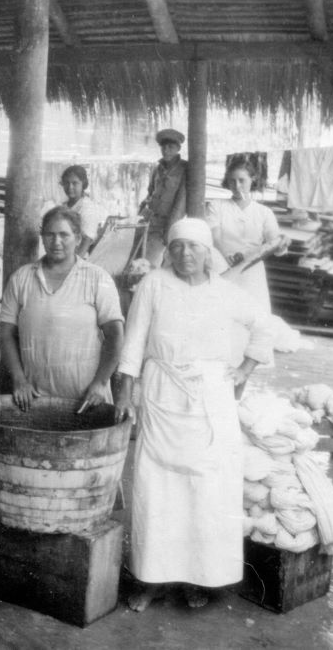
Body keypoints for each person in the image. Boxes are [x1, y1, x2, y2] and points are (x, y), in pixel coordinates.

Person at [114, 218, 273, 612]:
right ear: (168, 250)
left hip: (210, 402)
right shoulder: (153, 284)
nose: (186, 254)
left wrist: (243, 370)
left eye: (195, 247)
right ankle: (150, 580)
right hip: (161, 394)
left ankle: (195, 579)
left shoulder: (224, 292)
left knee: (204, 493)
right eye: (178, 246)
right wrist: (125, 391)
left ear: (208, 253)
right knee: (157, 491)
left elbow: (264, 327)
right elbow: (133, 341)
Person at [0, 206, 124, 412]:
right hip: (35, 400)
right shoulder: (22, 278)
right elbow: (6, 334)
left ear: (77, 237)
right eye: (50, 234)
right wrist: (19, 380)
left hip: (86, 400)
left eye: (64, 235)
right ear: (42, 237)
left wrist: (101, 382)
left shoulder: (97, 278)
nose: (56, 242)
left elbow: (115, 334)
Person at [206, 155, 288, 313]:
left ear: (253, 179)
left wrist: (281, 243)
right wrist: (226, 256)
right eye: (232, 181)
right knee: (222, 313)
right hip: (222, 266)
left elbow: (274, 240)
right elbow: (214, 237)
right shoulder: (217, 206)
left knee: (253, 315)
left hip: (252, 270)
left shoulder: (264, 212)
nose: (237, 186)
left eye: (241, 180)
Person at [139, 128, 188, 267]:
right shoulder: (157, 169)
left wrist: (170, 228)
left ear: (178, 148)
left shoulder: (185, 169)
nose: (166, 150)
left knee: (151, 262)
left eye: (170, 147)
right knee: (139, 257)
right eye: (163, 147)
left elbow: (180, 203)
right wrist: (141, 212)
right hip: (149, 221)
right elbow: (150, 193)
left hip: (167, 224)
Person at [60, 165, 106, 258]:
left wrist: (69, 266)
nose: (70, 187)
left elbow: (85, 243)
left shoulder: (88, 208)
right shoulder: (63, 207)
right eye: (66, 183)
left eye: (75, 183)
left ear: (83, 184)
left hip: (80, 259)